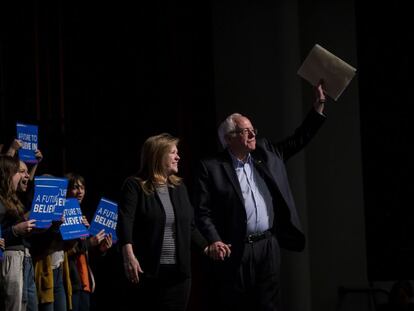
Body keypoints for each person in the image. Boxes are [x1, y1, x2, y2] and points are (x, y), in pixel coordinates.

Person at [192, 83, 327, 310]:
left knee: (269, 306)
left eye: (253, 129)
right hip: (235, 249)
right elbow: (202, 211)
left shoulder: (264, 152)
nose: (254, 134)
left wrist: (318, 108)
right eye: (246, 131)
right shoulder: (211, 167)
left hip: (267, 245)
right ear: (229, 138)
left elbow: (298, 140)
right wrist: (214, 239)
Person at [118, 133, 209, 311]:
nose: (178, 157)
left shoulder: (179, 187)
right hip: (146, 273)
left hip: (178, 276)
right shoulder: (134, 185)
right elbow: (125, 221)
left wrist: (207, 246)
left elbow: (189, 227)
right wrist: (128, 256)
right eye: (173, 152)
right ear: (158, 155)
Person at [64, 172, 112, 311]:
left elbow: (85, 253)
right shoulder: (61, 218)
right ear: (66, 190)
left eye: (82, 188)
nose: (80, 192)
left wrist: (100, 249)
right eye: (75, 187)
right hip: (70, 283)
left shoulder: (83, 218)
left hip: (85, 282)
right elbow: (65, 253)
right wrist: (90, 242)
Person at [0, 154, 38, 311]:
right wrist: (16, 230)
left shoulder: (13, 199)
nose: (23, 176)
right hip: (11, 258)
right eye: (19, 172)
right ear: (8, 174)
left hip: (23, 257)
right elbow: (7, 231)